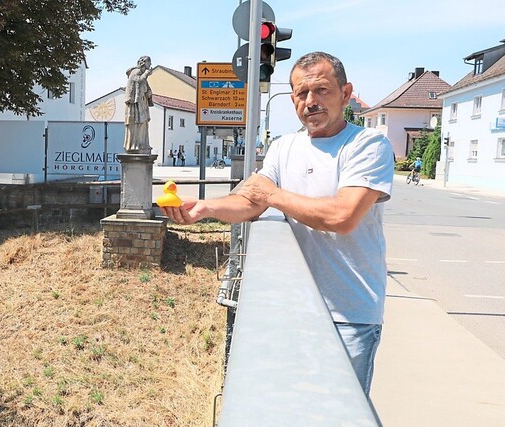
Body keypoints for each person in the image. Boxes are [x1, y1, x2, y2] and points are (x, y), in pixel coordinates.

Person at [161, 51, 394, 396]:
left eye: (322, 90)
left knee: (341, 422)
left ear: (345, 94)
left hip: (350, 313)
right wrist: (205, 208)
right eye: (301, 93)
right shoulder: (284, 147)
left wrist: (274, 195)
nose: (310, 101)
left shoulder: (367, 144)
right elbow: (250, 200)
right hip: (293, 309)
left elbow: (342, 217)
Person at [124, 55, 153, 153]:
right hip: (135, 105)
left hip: (142, 103)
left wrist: (149, 93)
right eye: (149, 62)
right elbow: (138, 82)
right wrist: (146, 74)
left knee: (143, 124)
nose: (150, 65)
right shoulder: (135, 72)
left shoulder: (141, 73)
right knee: (136, 124)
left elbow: (145, 88)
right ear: (144, 62)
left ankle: (143, 144)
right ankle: (134, 145)